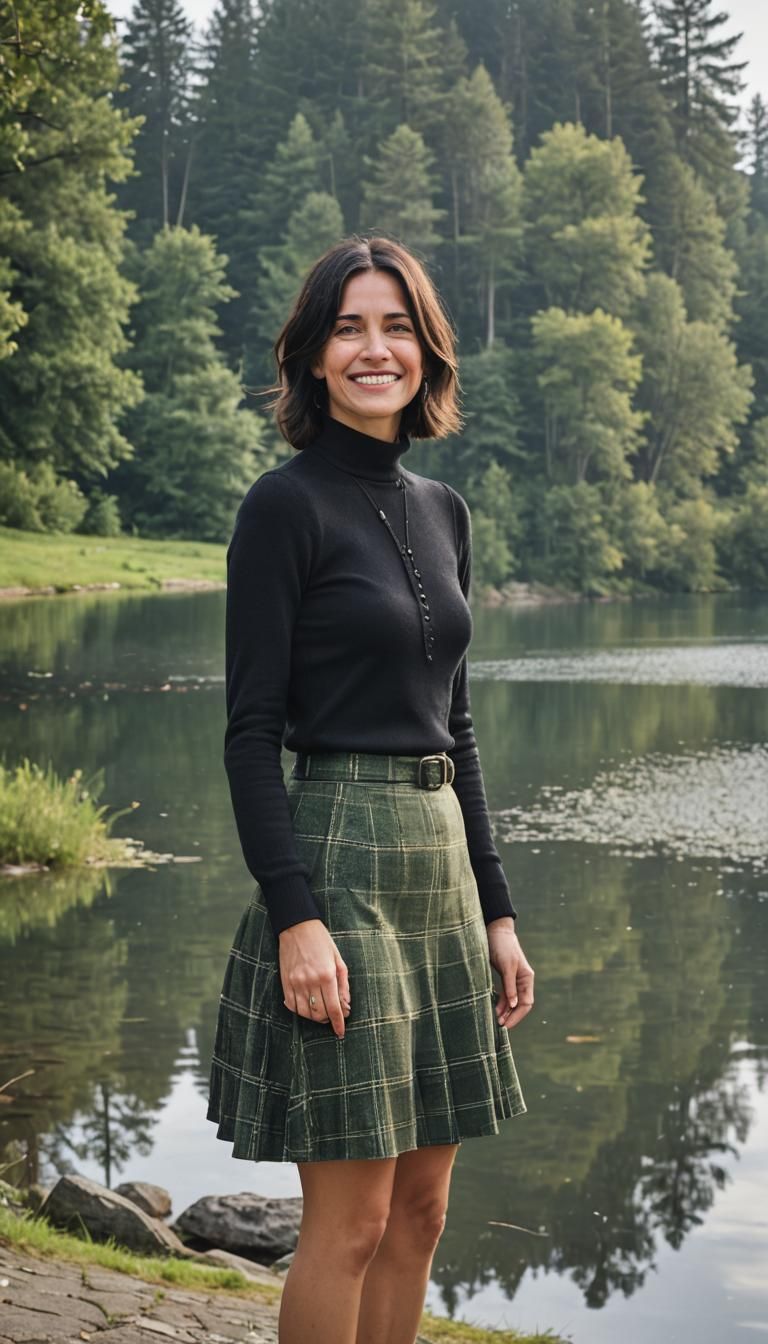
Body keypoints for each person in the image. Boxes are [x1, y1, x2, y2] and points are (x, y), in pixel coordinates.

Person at [206, 234, 534, 1344]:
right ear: (311, 355)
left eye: (395, 325)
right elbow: (250, 736)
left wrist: (497, 911)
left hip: (440, 870)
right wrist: (295, 915)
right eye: (349, 326)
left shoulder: (444, 510)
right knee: (346, 1225)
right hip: (339, 861)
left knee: (422, 1213)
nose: (374, 347)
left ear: (426, 351)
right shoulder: (282, 508)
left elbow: (461, 725)